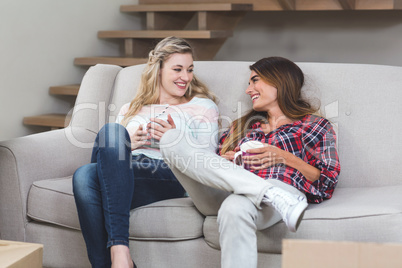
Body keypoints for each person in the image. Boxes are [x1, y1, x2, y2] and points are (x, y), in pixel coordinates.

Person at [160, 56, 341, 268]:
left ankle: (272, 193)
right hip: (227, 189)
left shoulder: (314, 125)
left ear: (279, 81)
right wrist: (224, 160)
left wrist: (284, 156)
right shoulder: (241, 126)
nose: (249, 90)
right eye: (249, 83)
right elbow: (208, 166)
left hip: (279, 187)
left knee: (234, 207)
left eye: (255, 80)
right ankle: (270, 194)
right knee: (170, 139)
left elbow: (326, 181)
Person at [72, 36, 219, 268]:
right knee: (99, 152)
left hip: (170, 173)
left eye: (189, 69)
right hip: (123, 174)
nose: (186, 77)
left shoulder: (203, 107)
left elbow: (207, 161)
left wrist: (173, 139)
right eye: (177, 69)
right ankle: (120, 258)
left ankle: (119, 251)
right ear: (158, 70)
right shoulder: (130, 108)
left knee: (86, 177)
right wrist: (128, 143)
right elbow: (110, 156)